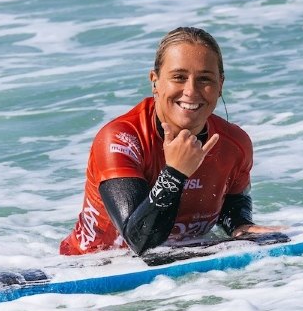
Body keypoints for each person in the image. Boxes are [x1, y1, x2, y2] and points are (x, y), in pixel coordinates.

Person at [60, 27, 279, 256]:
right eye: (179, 77)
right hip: (91, 269)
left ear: (220, 85)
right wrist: (175, 172)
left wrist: (240, 226)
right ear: (155, 81)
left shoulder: (234, 143)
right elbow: (140, 242)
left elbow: (232, 206)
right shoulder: (120, 140)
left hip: (176, 270)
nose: (191, 91)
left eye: (205, 79)